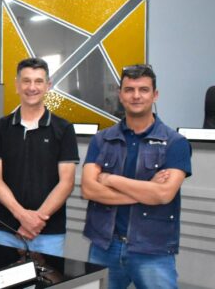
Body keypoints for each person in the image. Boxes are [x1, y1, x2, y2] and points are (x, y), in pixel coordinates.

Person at [81, 64, 192, 288]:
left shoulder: (175, 143)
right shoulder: (102, 140)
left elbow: (163, 194)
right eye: (129, 89)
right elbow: (89, 190)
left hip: (153, 249)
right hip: (105, 246)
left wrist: (110, 180)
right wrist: (146, 190)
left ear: (155, 95)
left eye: (143, 89)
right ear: (120, 95)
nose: (136, 95)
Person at [0, 58, 79, 257]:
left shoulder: (64, 129)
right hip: (6, 231)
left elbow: (67, 182)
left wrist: (35, 221)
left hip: (48, 234)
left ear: (48, 86)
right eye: (26, 81)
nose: (32, 87)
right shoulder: (1, 127)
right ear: (17, 85)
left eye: (38, 81)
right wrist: (23, 216)